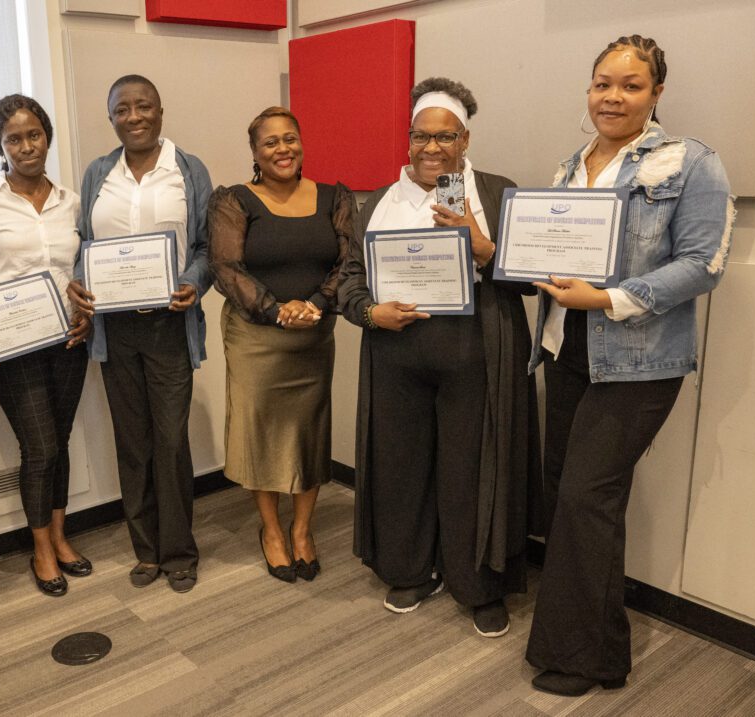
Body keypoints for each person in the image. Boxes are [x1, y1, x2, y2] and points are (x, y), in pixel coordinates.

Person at [525, 35, 733, 696]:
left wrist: (610, 297)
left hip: (640, 362)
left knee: (587, 496)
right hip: (567, 349)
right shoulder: (571, 163)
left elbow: (702, 266)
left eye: (630, 85)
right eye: (602, 83)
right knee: (574, 496)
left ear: (656, 93)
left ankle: (578, 656)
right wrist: (533, 267)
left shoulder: (692, 163)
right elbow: (556, 247)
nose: (612, 97)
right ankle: (605, 650)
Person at [337, 79, 542, 634]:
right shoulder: (378, 202)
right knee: (401, 464)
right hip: (397, 352)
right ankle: (410, 569)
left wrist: (487, 249)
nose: (432, 148)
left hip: (475, 349)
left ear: (465, 138)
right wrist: (367, 313)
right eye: (420, 136)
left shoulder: (497, 193)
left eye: (444, 136)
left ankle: (478, 584)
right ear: (407, 141)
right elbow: (349, 279)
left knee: (472, 468)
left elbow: (534, 282)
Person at [66, 75, 212, 593]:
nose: (134, 116)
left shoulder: (188, 169)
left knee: (171, 442)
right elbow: (84, 243)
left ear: (160, 110)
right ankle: (145, 551)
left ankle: (179, 552)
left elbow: (205, 247)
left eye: (143, 105)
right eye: (122, 109)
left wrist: (193, 283)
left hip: (169, 324)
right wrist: (80, 282)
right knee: (132, 442)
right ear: (111, 118)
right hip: (115, 329)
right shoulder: (98, 174)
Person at [208, 106, 355, 583]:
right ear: (255, 152)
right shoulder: (233, 201)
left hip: (313, 334)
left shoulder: (335, 197)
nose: (282, 149)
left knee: (308, 432)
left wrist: (313, 305)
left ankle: (303, 531)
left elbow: (348, 260)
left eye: (290, 138)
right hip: (255, 338)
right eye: (270, 142)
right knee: (261, 431)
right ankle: (271, 530)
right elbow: (227, 268)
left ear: (302, 143)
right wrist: (276, 310)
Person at [0, 94, 92, 598]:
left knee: (61, 439)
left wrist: (84, 317)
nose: (27, 145)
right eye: (14, 138)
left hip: (67, 340)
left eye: (34, 134)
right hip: (10, 349)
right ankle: (40, 549)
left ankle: (60, 536)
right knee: (41, 446)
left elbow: (78, 271)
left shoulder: (71, 200)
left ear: (47, 137)